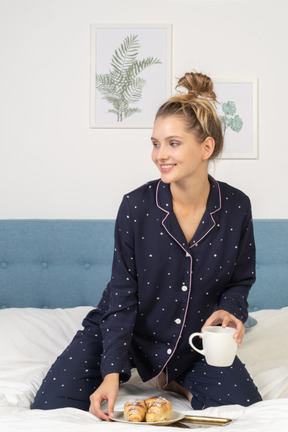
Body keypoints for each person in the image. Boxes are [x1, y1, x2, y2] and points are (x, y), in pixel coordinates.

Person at [32, 72, 262, 419]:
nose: (160, 155)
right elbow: (122, 292)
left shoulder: (236, 206)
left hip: (192, 341)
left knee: (246, 410)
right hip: (123, 332)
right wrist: (111, 373)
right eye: (155, 143)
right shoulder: (135, 206)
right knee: (50, 404)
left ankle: (171, 379)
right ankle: (145, 374)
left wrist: (231, 312)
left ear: (207, 147)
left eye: (173, 143)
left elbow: (240, 280)